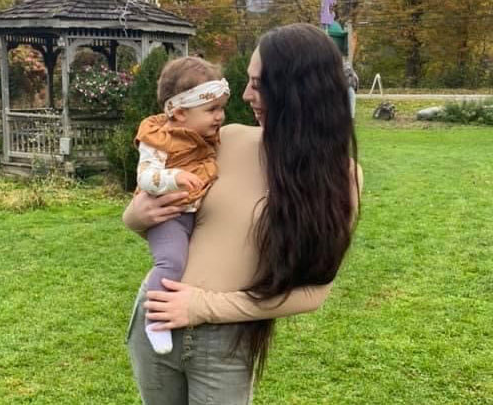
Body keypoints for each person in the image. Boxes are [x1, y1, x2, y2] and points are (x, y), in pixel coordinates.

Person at [123, 23, 362, 404]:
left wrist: (202, 306)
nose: (247, 94)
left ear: (298, 92)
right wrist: (136, 213)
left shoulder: (338, 178)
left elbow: (313, 293)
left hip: (226, 345)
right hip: (155, 319)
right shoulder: (228, 139)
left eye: (257, 83)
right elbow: (160, 218)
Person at [134, 57, 230, 354]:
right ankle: (155, 320)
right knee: (171, 261)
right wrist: (174, 177)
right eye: (211, 109)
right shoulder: (158, 138)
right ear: (178, 112)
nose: (220, 117)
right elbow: (146, 177)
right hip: (169, 216)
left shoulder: (208, 136)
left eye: (221, 108)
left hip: (192, 214)